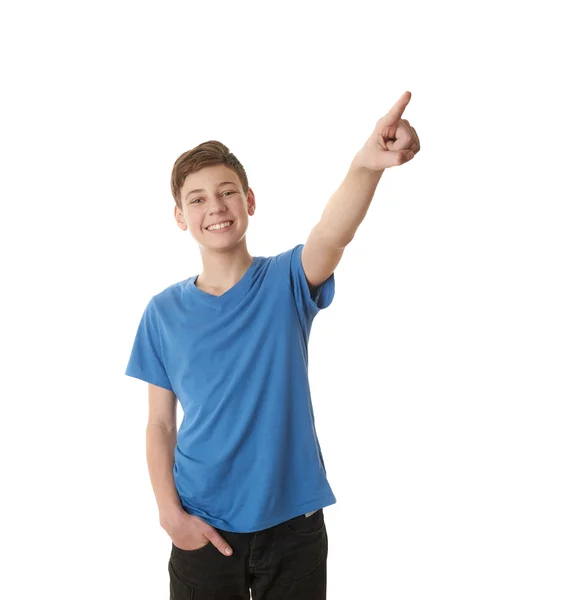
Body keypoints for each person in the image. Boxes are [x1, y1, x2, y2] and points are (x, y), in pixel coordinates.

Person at [125, 91, 420, 599]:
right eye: (197, 199)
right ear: (180, 217)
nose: (215, 207)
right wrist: (171, 515)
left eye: (227, 192)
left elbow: (332, 233)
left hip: (292, 526)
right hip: (202, 525)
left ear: (249, 201)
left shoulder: (285, 281)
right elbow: (158, 422)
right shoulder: (162, 312)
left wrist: (366, 165)